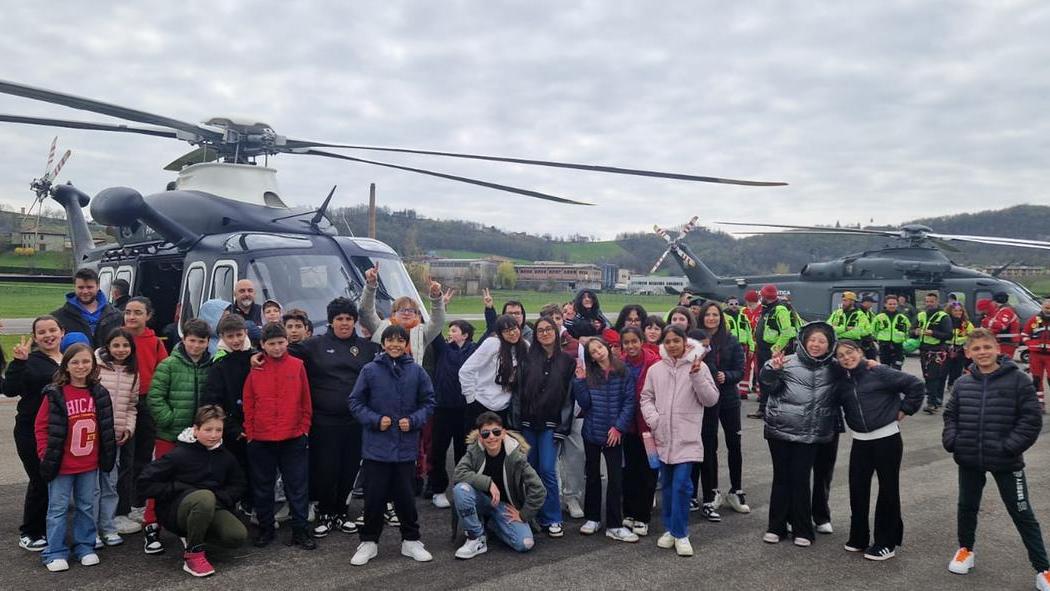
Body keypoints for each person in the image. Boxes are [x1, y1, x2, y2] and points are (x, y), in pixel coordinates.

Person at [943, 328, 1050, 590]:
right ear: (968, 353)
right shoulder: (963, 383)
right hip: (969, 458)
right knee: (967, 507)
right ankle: (966, 550)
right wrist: (952, 441)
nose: (982, 352)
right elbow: (950, 414)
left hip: (1006, 461)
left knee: (1022, 512)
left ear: (998, 349)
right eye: (976, 349)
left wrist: (1010, 447)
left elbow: (1031, 419)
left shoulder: (1019, 380)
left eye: (986, 347)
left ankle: (1042, 568)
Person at [285, 298, 378, 538]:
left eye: (349, 319)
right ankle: (325, 513)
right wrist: (255, 357)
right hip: (324, 422)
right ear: (331, 321)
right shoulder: (313, 345)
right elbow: (279, 351)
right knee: (326, 469)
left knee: (348, 469)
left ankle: (340, 512)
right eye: (339, 319)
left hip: (355, 422)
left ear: (355, 321)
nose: (344, 323)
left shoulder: (368, 348)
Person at [348, 325, 436, 566]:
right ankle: (368, 542)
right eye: (390, 341)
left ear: (406, 344)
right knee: (373, 498)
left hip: (406, 449)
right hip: (376, 448)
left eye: (400, 341)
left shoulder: (417, 372)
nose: (395, 345)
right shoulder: (370, 370)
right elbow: (355, 402)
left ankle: (411, 540)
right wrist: (376, 420)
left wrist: (415, 420)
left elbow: (429, 402)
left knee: (406, 497)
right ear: (383, 343)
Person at [833, 340, 924, 561]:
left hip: (887, 439)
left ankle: (886, 543)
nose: (847, 358)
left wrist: (905, 409)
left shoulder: (879, 371)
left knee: (888, 491)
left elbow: (916, 386)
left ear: (860, 352)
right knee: (858, 490)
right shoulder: (842, 381)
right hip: (860, 441)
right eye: (841, 355)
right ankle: (859, 537)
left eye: (850, 352)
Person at [137, 405, 248, 577]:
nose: (213, 435)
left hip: (211, 505)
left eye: (218, 430)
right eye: (208, 429)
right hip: (176, 510)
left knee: (236, 536)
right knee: (204, 497)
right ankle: (193, 554)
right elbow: (144, 482)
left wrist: (222, 498)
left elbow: (238, 484)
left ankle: (195, 533)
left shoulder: (225, 456)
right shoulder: (179, 454)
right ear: (196, 430)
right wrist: (176, 489)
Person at [35, 343, 116, 572]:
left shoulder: (99, 392)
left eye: (85, 361)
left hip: (89, 464)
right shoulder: (55, 393)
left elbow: (106, 427)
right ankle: (55, 551)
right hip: (62, 464)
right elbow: (41, 426)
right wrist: (44, 453)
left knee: (86, 506)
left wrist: (105, 455)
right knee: (58, 508)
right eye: (75, 362)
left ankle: (84, 546)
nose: (81, 366)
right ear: (66, 366)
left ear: (93, 364)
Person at [639, 325, 719, 556]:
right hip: (663, 435)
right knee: (667, 486)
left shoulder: (699, 366)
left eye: (677, 340)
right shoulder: (656, 369)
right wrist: (655, 419)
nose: (673, 345)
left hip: (687, 436)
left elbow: (711, 399)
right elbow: (646, 397)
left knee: (683, 485)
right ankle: (671, 529)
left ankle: (681, 532)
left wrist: (696, 377)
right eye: (668, 341)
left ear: (685, 342)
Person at [759, 322, 839, 547]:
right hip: (780, 431)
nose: (816, 345)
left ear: (829, 345)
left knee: (801, 479)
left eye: (822, 341)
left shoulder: (834, 368)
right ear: (804, 341)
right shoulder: (785, 362)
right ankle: (776, 526)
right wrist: (771, 371)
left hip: (812, 433)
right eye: (812, 340)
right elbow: (768, 386)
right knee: (782, 478)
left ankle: (802, 528)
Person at [143, 318, 213, 554]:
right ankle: (152, 525)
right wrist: (168, 419)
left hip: (196, 438)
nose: (196, 346)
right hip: (170, 435)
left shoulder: (210, 366)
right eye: (192, 340)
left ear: (207, 342)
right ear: (184, 340)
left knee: (191, 482)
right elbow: (155, 397)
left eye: (201, 341)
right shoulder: (169, 364)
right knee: (161, 480)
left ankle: (184, 524)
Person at [243, 322, 315, 549]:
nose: (277, 348)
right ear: (262, 344)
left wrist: (304, 428)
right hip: (262, 438)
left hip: (293, 436)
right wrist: (252, 433)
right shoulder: (256, 367)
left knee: (297, 486)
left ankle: (300, 530)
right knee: (263, 487)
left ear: (287, 342)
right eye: (271, 344)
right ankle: (266, 528)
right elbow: (249, 401)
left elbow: (306, 400)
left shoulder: (297, 365)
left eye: (281, 343)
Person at [3, 316, 64, 552]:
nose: (48, 335)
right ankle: (30, 531)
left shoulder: (68, 359)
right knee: (40, 479)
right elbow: (10, 390)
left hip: (59, 430)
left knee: (57, 479)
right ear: (35, 336)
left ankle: (51, 525)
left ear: (61, 332)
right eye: (42, 332)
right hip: (31, 430)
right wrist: (18, 363)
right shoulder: (29, 360)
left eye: (52, 330)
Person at [451, 412, 546, 559]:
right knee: (461, 489)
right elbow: (458, 474)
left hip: (505, 507)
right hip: (481, 500)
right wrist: (488, 483)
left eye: (496, 432)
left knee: (525, 544)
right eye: (485, 434)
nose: (491, 437)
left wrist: (523, 514)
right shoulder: (474, 451)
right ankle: (476, 537)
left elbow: (539, 489)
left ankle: (492, 526)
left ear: (503, 433)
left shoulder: (516, 456)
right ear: (480, 437)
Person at [572, 338, 638, 542]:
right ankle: (592, 518)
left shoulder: (623, 371)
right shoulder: (590, 374)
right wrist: (580, 381)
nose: (598, 352)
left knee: (615, 479)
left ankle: (615, 524)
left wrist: (619, 428)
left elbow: (629, 402)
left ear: (607, 347)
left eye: (599, 347)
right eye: (593, 351)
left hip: (614, 433)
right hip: (592, 432)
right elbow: (585, 404)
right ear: (590, 356)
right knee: (591, 476)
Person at [516, 316, 575, 538]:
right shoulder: (527, 360)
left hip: (552, 424)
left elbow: (569, 397)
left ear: (556, 331)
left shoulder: (567, 362)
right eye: (540, 330)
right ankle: (533, 514)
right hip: (528, 423)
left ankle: (552, 517)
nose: (544, 333)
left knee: (548, 470)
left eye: (548, 329)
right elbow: (519, 393)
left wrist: (563, 426)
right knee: (530, 470)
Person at [695, 302, 749, 520]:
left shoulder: (731, 339)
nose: (711, 318)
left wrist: (728, 376)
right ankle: (712, 490)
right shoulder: (696, 340)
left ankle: (736, 490)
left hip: (728, 398)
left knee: (734, 443)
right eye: (707, 314)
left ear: (721, 317)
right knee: (709, 445)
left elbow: (740, 368)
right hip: (707, 399)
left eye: (715, 314)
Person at [122, 296, 169, 534]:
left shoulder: (155, 342)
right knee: (123, 456)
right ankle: (120, 504)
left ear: (148, 315)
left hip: (147, 401)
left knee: (142, 454)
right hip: (121, 402)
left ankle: (137, 502)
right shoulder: (118, 337)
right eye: (128, 311)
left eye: (137, 312)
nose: (131, 316)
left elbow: (163, 372)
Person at [201, 315, 255, 517]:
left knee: (255, 471)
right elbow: (214, 400)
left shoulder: (256, 357)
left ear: (246, 333)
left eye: (239, 335)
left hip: (255, 425)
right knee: (233, 471)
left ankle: (252, 506)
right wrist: (232, 428)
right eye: (230, 336)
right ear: (222, 337)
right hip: (232, 428)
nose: (236, 340)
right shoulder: (219, 364)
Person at [94, 328, 140, 548]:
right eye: (116, 345)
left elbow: (132, 406)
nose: (121, 350)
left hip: (117, 437)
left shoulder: (133, 372)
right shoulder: (96, 368)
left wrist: (128, 429)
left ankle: (108, 526)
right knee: (92, 486)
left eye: (125, 346)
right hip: (94, 436)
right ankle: (91, 530)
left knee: (111, 483)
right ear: (107, 347)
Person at [428, 319, 478, 509]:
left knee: (463, 451)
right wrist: (441, 306)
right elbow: (434, 331)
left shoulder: (473, 350)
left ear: (465, 335)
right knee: (438, 450)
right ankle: (438, 490)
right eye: (450, 330)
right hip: (442, 408)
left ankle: (461, 488)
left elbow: (490, 331)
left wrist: (489, 309)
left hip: (465, 409)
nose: (450, 333)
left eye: (454, 330)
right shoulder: (443, 349)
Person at [360, 262, 447, 364]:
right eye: (402, 310)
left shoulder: (422, 332)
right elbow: (366, 312)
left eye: (411, 311)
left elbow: (438, 321)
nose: (406, 313)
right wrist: (370, 285)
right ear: (393, 313)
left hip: (410, 377)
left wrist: (436, 297)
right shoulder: (381, 327)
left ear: (416, 314)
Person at [620, 326, 660, 537]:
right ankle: (628, 512)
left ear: (641, 341)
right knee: (629, 471)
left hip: (648, 428)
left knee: (648, 472)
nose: (631, 346)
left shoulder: (653, 363)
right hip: (627, 427)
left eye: (634, 341)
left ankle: (643, 516)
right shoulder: (620, 364)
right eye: (626, 342)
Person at [459, 314, 528, 428]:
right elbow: (466, 370)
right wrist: (470, 398)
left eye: (514, 328)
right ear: (500, 334)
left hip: (505, 407)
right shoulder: (493, 344)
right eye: (506, 331)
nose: (512, 333)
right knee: (478, 442)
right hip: (481, 403)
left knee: (499, 443)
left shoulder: (525, 346)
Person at [749, 284, 797, 419]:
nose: (760, 298)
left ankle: (771, 409)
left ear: (765, 296)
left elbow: (786, 332)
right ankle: (763, 408)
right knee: (763, 379)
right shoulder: (768, 309)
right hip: (763, 349)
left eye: (762, 296)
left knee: (772, 380)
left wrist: (775, 349)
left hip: (771, 352)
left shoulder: (779, 310)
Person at [51, 267, 122, 347]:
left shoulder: (116, 316)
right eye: (81, 287)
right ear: (74, 287)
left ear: (98, 286)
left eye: (89, 287)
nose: (85, 291)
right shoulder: (58, 317)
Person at [915, 292, 953, 414]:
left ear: (937, 302)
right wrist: (914, 332)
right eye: (927, 301)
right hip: (923, 350)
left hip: (937, 350)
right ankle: (934, 400)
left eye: (931, 301)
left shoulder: (943, 316)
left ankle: (932, 403)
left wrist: (932, 333)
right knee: (926, 375)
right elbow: (911, 329)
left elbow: (948, 334)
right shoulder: (921, 315)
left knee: (933, 376)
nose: (929, 304)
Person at [723, 297, 754, 397]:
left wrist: (752, 347)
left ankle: (743, 391)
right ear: (727, 304)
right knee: (729, 367)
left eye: (736, 303)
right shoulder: (723, 317)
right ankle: (730, 388)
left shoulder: (743, 317)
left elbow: (749, 333)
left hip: (743, 345)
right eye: (731, 304)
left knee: (744, 368)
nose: (734, 306)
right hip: (728, 345)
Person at [1023, 297, 1050, 411]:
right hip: (1035, 355)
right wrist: (1031, 345)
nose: (1048, 310)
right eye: (1046, 307)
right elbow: (1024, 334)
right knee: (1036, 379)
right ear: (1042, 307)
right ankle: (1040, 403)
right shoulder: (1034, 320)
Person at [827, 292, 874, 358]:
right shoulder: (836, 313)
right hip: (836, 344)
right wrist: (845, 329)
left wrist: (838, 331)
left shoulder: (860, 315)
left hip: (853, 345)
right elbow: (828, 328)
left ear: (852, 302)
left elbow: (856, 333)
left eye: (845, 300)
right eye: (843, 300)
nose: (843, 303)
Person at [872, 295, 911, 370]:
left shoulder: (902, 317)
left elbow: (907, 331)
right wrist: (879, 339)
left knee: (897, 368)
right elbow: (874, 330)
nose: (892, 306)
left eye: (894, 304)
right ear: (885, 304)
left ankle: (897, 381)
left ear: (897, 304)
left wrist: (902, 338)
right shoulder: (879, 317)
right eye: (890, 304)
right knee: (885, 368)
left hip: (898, 346)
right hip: (884, 346)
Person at [980, 291, 1022, 360]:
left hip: (1007, 342)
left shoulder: (1006, 311)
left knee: (1003, 364)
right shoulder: (1003, 310)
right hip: (1005, 342)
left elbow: (1001, 326)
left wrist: (986, 321)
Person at [945, 302, 975, 391]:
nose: (958, 312)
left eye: (960, 310)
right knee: (944, 370)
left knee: (957, 369)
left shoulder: (966, 324)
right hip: (946, 348)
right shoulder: (946, 322)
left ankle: (953, 384)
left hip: (960, 349)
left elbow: (972, 335)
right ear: (950, 311)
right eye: (955, 311)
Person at [226, 279, 263, 345]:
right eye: (242, 291)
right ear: (235, 294)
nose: (247, 294)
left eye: (250, 291)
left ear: (254, 293)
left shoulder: (263, 311)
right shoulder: (228, 312)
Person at [743, 290, 764, 393]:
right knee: (745, 367)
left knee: (758, 368)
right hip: (748, 344)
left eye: (750, 302)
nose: (748, 304)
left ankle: (760, 392)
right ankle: (743, 390)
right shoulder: (744, 311)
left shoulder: (762, 311)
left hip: (759, 344)